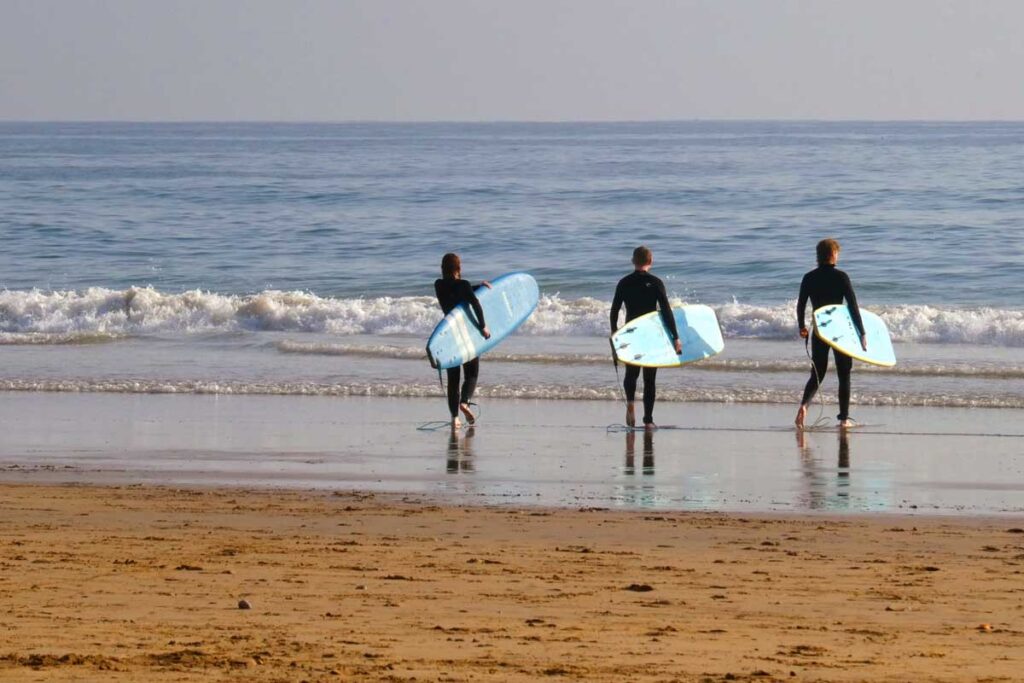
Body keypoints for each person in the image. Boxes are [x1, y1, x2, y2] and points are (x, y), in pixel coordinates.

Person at [795, 238, 867, 430]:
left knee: (817, 373)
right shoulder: (841, 277)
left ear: (818, 256)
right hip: (839, 331)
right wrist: (862, 332)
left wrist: (802, 326)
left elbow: (801, 305)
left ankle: (804, 406)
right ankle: (843, 420)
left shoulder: (809, 277)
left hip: (820, 330)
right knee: (844, 374)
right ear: (834, 254)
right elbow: (852, 306)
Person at [610, 246, 681, 430]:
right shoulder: (656, 282)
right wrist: (675, 337)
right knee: (650, 379)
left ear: (633, 261)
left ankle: (630, 403)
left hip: (631, 334)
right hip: (650, 335)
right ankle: (648, 420)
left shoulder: (624, 282)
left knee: (631, 374)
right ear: (651, 261)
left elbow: (614, 310)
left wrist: (614, 334)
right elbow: (666, 311)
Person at [434, 253, 491, 430]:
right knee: (472, 374)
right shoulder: (464, 285)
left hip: (450, 336)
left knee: (453, 379)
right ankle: (464, 403)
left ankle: (454, 419)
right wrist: (483, 327)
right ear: (459, 268)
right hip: (466, 334)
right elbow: (475, 304)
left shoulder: (438, 285)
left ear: (442, 269)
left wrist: (477, 286)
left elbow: (457, 290)